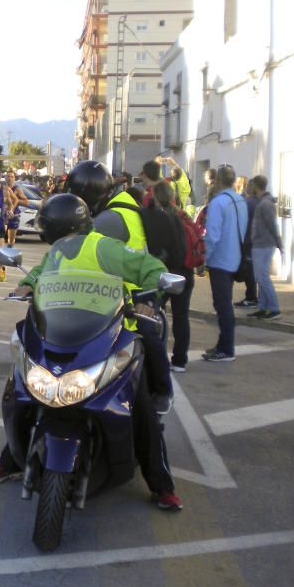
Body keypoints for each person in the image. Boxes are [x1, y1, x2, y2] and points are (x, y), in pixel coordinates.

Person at [0, 193, 183, 512]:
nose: (48, 238)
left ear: (60, 228)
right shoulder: (58, 253)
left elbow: (150, 267)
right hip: (65, 333)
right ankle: (11, 459)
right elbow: (38, 273)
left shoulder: (103, 246)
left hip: (111, 333)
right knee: (30, 388)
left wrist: (150, 297)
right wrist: (25, 287)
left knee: (137, 405)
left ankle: (161, 483)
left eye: (49, 230)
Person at [65, 160, 174, 413]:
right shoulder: (122, 204)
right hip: (129, 290)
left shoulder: (108, 220)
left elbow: (79, 253)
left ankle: (162, 393)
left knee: (143, 336)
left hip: (131, 296)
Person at [202, 165, 248, 362]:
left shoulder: (219, 202)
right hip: (234, 257)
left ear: (218, 180)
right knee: (224, 304)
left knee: (223, 305)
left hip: (220, 259)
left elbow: (212, 236)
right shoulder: (240, 200)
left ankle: (226, 348)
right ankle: (224, 345)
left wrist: (203, 259)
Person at [152, 182, 194, 374]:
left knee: (153, 313)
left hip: (168, 273)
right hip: (186, 272)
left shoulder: (161, 218)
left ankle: (157, 357)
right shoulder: (183, 214)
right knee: (181, 317)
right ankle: (180, 360)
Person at [248, 175, 283, 320]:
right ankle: (263, 307)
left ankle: (274, 308)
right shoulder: (264, 203)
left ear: (256, 186)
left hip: (264, 245)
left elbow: (272, 225)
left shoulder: (266, 204)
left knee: (263, 277)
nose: (249, 188)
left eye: (251, 185)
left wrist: (278, 242)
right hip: (260, 244)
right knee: (259, 277)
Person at [234, 177, 258, 308]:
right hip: (252, 239)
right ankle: (252, 296)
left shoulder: (246, 202)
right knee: (251, 269)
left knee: (249, 270)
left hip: (247, 239)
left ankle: (251, 297)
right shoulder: (256, 201)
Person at [4, 170, 29, 248]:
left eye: (12, 177)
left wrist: (15, 200)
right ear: (5, 178)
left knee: (10, 241)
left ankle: (9, 253)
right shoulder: (2, 188)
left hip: (13, 216)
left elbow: (26, 202)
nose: (10, 178)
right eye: (8, 176)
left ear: (14, 179)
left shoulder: (17, 189)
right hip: (3, 216)